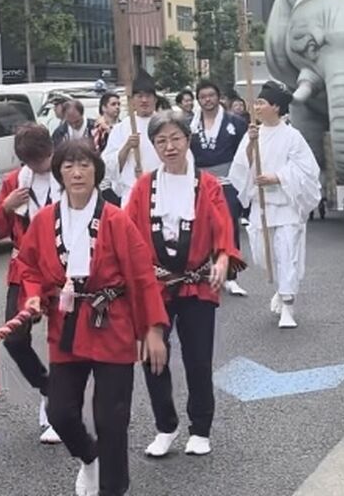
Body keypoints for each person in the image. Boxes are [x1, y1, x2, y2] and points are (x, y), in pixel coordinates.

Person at [10, 141, 168, 496]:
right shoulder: (46, 219)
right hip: (66, 324)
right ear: (59, 174)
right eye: (68, 166)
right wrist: (33, 295)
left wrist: (154, 329)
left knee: (112, 419)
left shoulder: (115, 219)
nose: (77, 173)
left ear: (96, 170)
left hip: (110, 321)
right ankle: (88, 455)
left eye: (84, 165)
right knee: (61, 412)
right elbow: (29, 266)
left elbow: (141, 276)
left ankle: (113, 488)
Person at [124, 114, 239, 458]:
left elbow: (223, 229)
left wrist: (221, 260)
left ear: (188, 140)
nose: (169, 147)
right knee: (152, 358)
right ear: (154, 146)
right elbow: (127, 236)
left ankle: (200, 428)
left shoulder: (207, 185)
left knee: (198, 359)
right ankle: (165, 425)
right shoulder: (144, 187)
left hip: (196, 284)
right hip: (154, 286)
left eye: (175, 138)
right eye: (161, 141)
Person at [0, 124, 63, 444]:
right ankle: (47, 386)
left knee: (63, 340)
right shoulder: (14, 182)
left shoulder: (68, 171)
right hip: (25, 268)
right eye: (33, 162)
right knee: (14, 338)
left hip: (64, 268)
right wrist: (7, 207)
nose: (40, 166)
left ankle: (60, 405)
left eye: (44, 159)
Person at [233, 81, 322, 328]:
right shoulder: (253, 133)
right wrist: (251, 144)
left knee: (287, 255)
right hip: (261, 207)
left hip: (286, 206)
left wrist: (278, 177)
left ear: (276, 106)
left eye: (261, 102)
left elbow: (307, 171)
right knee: (266, 256)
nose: (257, 106)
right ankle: (283, 288)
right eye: (257, 102)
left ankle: (288, 305)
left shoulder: (293, 137)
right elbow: (240, 169)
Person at [188, 80, 249, 297]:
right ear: (198, 100)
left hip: (227, 180)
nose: (207, 100)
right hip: (201, 181)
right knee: (201, 228)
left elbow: (245, 153)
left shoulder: (235, 123)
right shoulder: (190, 125)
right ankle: (204, 271)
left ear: (219, 97)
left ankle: (231, 276)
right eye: (202, 96)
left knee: (229, 226)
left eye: (211, 95)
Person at [101, 75, 164, 204]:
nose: (144, 100)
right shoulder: (121, 128)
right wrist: (127, 147)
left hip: (162, 191)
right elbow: (108, 166)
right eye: (140, 96)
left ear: (155, 100)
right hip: (132, 192)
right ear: (132, 101)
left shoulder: (164, 125)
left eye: (148, 96)